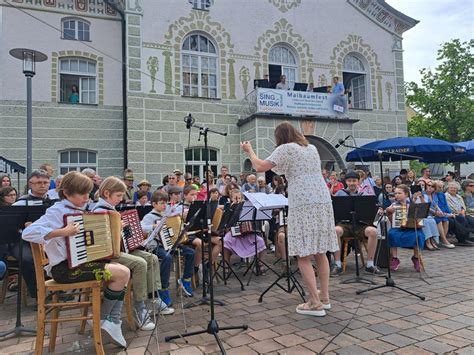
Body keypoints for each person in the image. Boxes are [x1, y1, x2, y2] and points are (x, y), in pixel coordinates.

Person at [22, 171, 130, 348]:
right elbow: (28, 233)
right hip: (64, 270)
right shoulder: (56, 211)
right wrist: (63, 232)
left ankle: (110, 320)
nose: (87, 198)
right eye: (82, 194)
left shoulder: (81, 209)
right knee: (122, 272)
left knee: (122, 270)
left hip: (80, 263)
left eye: (88, 193)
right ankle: (106, 319)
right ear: (67, 193)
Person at [241, 121, 338, 317]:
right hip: (322, 199)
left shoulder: (286, 148)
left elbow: (260, 166)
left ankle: (314, 302)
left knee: (302, 253)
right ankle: (325, 297)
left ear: (280, 138)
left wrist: (249, 151)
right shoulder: (311, 148)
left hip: (303, 201)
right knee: (320, 250)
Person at [92, 176, 171, 330]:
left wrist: (129, 235)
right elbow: (102, 241)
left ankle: (153, 297)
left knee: (152, 258)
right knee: (140, 263)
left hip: (121, 250)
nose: (121, 200)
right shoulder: (99, 211)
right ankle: (139, 308)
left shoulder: (111, 209)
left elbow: (121, 237)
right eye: (119, 196)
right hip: (108, 255)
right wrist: (118, 229)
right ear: (107, 194)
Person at [141, 191, 195, 306]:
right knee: (167, 257)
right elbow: (142, 227)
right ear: (154, 204)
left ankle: (185, 280)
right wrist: (153, 226)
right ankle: (163, 288)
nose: (164, 206)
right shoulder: (149, 216)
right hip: (157, 245)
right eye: (161, 203)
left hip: (170, 244)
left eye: (165, 203)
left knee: (190, 252)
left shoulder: (166, 214)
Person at [332, 171, 383, 276]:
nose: (352, 183)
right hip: (345, 224)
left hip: (361, 224)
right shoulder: (340, 194)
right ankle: (337, 264)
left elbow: (372, 211)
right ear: (346, 182)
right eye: (349, 181)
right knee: (335, 230)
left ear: (358, 181)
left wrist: (378, 210)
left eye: (354, 181)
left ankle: (370, 265)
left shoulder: (365, 195)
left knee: (373, 231)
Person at [222, 190, 266, 269]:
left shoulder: (247, 207)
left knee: (260, 241)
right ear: (231, 198)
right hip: (234, 233)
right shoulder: (229, 207)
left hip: (248, 234)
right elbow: (227, 223)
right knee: (225, 240)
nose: (237, 200)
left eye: (239, 198)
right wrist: (233, 208)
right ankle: (226, 266)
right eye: (235, 198)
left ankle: (260, 264)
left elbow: (256, 222)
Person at [386, 185, 425, 272]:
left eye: (399, 193)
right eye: (395, 193)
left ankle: (416, 257)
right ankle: (395, 258)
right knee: (391, 234)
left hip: (411, 228)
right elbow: (392, 222)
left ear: (406, 194)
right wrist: (388, 212)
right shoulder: (393, 205)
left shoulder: (412, 204)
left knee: (417, 235)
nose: (397, 195)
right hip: (398, 228)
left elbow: (420, 218)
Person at [445, 182, 474, 246]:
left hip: (461, 213)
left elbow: (463, 206)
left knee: (471, 220)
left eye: (455, 188)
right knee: (462, 219)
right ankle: (462, 239)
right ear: (448, 189)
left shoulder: (459, 197)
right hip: (452, 214)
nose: (453, 189)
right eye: (451, 188)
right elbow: (450, 207)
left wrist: (463, 211)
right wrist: (458, 212)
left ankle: (468, 237)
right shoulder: (446, 196)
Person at [432, 180, 455, 248]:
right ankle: (444, 240)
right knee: (440, 220)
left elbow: (445, 205)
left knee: (446, 221)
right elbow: (435, 206)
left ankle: (442, 239)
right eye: (439, 187)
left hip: (443, 212)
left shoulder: (442, 194)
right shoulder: (433, 194)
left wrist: (450, 213)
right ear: (435, 187)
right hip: (436, 213)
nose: (441, 189)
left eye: (442, 187)